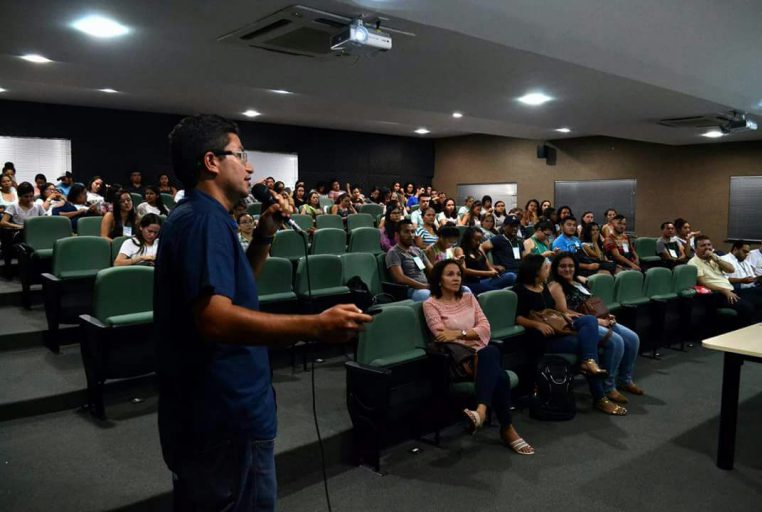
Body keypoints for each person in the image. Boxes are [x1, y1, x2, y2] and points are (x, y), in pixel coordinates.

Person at [157, 115, 371, 511]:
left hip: (217, 409)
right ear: (211, 162)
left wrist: (263, 236)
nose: (251, 167)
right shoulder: (203, 220)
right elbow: (215, 318)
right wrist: (315, 326)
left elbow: (233, 293)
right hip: (224, 411)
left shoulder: (206, 217)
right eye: (240, 154)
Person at [423, 259, 534, 454]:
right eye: (450, 274)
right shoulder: (430, 304)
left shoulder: (469, 297)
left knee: (490, 354)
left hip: (481, 357)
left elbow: (486, 328)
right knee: (498, 369)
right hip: (461, 362)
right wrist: (469, 335)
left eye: (458, 274)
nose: (456, 278)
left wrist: (459, 334)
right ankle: (506, 429)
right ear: (438, 279)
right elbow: (441, 335)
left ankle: (480, 412)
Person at [513, 254, 625, 415]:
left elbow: (551, 310)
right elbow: (518, 317)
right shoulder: (519, 290)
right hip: (545, 338)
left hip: (559, 328)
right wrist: (537, 324)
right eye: (546, 268)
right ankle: (600, 398)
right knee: (587, 346)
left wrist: (564, 315)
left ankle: (589, 361)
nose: (548, 270)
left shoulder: (542, 286)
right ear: (535, 270)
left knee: (589, 320)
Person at [548, 252, 643, 404]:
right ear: (556, 268)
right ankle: (609, 387)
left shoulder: (579, 281)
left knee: (633, 338)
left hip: (597, 319)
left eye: (571, 266)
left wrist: (606, 315)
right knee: (616, 341)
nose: (567, 269)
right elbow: (564, 312)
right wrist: (598, 321)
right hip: (580, 325)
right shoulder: (556, 286)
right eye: (563, 266)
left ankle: (625, 379)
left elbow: (591, 304)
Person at [688, 235, 762, 327]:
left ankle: (756, 328)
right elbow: (703, 282)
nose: (707, 248)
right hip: (717, 294)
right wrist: (724, 291)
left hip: (731, 290)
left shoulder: (714, 259)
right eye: (703, 245)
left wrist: (716, 258)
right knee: (747, 307)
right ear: (695, 248)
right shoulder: (693, 262)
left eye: (709, 245)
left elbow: (731, 269)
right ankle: (743, 333)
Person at [0, 182, 45, 276]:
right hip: (20, 233)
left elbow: (46, 221)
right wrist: (19, 226)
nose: (29, 199)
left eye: (31, 196)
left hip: (36, 234)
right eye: (26, 196)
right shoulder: (13, 206)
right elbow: (3, 222)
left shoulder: (38, 206)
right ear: (19, 196)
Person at [385, 219, 433, 302]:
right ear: (397, 235)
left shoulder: (417, 251)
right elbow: (399, 278)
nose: (411, 235)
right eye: (406, 232)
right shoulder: (393, 252)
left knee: (462, 289)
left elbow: (432, 270)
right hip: (410, 290)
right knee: (429, 296)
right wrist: (424, 286)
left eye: (413, 231)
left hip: (426, 287)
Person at [460, 227, 516, 294]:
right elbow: (465, 270)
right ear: (468, 239)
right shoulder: (460, 250)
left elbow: (489, 267)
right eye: (475, 240)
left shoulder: (479, 249)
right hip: (472, 282)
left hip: (486, 280)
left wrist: (493, 272)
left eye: (480, 240)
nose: (478, 243)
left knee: (511, 276)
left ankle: (496, 290)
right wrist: (487, 273)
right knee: (497, 291)